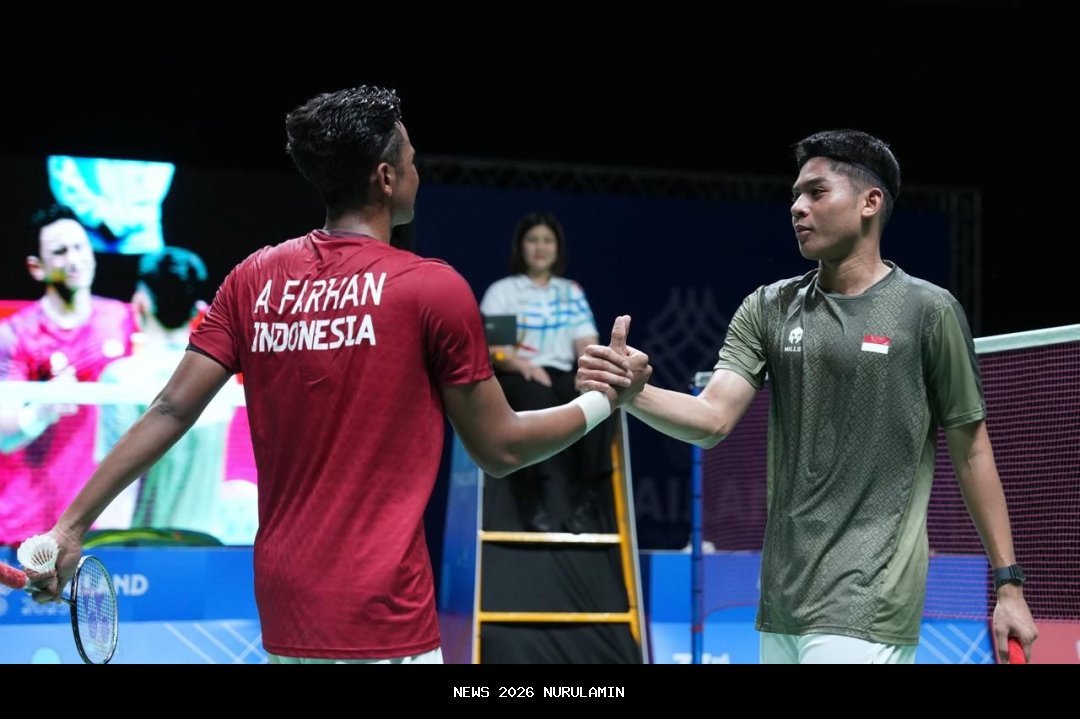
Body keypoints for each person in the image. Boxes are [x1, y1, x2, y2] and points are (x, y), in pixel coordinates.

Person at [30, 86, 648, 665]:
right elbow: (501, 447)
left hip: (285, 603)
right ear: (386, 178)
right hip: (383, 616)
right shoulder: (432, 289)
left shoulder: (253, 278)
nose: (418, 171)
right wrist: (605, 398)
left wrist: (68, 528)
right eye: (411, 160)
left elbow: (170, 408)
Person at [578, 129, 1037, 664]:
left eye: (817, 193)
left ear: (870, 202)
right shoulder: (768, 307)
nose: (797, 207)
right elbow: (711, 419)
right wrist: (634, 393)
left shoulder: (927, 312)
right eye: (795, 195)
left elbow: (972, 449)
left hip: (870, 599)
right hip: (783, 598)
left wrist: (1008, 586)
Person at [0, 205, 135, 545]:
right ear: (37, 267)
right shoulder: (16, 335)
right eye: (60, 252)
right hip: (26, 524)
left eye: (80, 247)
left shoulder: (122, 319)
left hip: (101, 521)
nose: (74, 259)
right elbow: (3, 435)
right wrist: (42, 409)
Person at [479, 212, 613, 533]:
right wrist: (524, 366)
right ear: (521, 247)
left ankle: (587, 499)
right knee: (534, 394)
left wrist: (589, 372)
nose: (540, 247)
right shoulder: (504, 291)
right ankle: (534, 497)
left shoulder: (571, 292)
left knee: (600, 396)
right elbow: (496, 350)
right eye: (533, 240)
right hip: (516, 374)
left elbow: (586, 343)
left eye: (547, 241)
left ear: (557, 248)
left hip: (562, 374)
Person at [95, 247, 235, 536]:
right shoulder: (223, 377)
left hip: (145, 551)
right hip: (209, 546)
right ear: (198, 308)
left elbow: (114, 491)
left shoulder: (122, 379)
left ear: (141, 302)